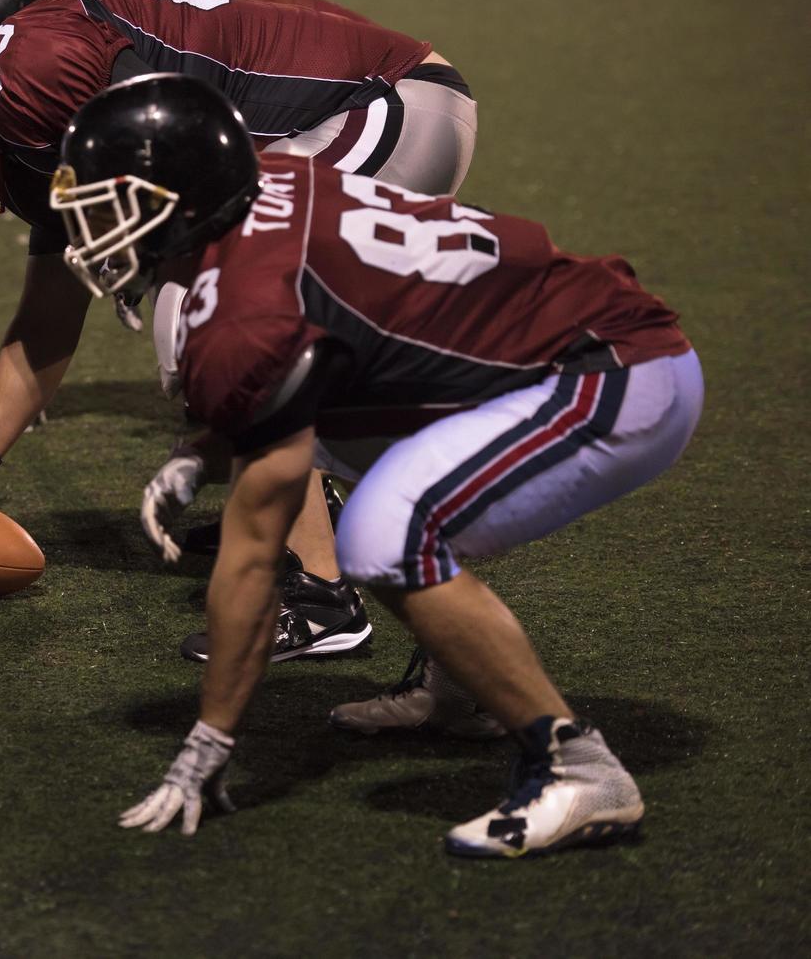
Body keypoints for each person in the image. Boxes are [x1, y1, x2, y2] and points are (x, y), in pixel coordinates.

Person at [50, 75, 701, 856]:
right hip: (547, 350)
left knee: (385, 533)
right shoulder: (276, 180)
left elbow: (254, 560)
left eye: (114, 202)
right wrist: (204, 449)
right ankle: (458, 697)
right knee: (354, 454)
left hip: (609, 372)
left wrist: (210, 740)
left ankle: (581, 770)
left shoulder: (243, 312)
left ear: (186, 202)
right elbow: (329, 364)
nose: (98, 228)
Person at [0, 0, 475, 658]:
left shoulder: (30, 67)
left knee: (208, 317)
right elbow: (47, 317)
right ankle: (304, 514)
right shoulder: (40, 85)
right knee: (201, 313)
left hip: (386, 104)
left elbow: (177, 140)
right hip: (347, 111)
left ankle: (322, 595)